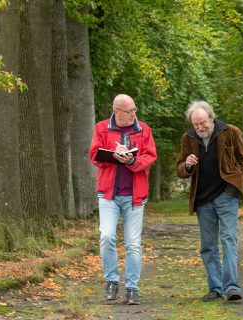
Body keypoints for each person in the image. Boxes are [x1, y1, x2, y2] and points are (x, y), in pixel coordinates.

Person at [176, 101, 243, 302]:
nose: (200, 128)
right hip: (202, 199)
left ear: (211, 118)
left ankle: (232, 288)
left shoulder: (230, 132)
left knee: (228, 239)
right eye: (196, 124)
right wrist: (188, 165)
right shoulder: (188, 138)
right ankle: (215, 288)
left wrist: (236, 186)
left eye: (203, 123)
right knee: (208, 246)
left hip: (226, 196)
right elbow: (180, 169)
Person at [90, 94, 157, 305]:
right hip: (109, 194)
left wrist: (132, 160)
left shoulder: (144, 129)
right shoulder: (101, 128)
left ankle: (132, 288)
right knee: (107, 236)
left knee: (133, 243)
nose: (134, 114)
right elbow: (94, 155)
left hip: (135, 195)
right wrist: (113, 155)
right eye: (130, 111)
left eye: (134, 110)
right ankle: (111, 281)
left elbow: (150, 156)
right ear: (117, 111)